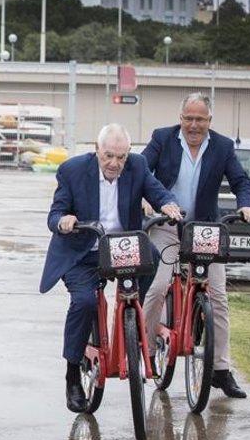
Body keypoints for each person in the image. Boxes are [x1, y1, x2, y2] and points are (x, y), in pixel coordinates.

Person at [40, 124, 182, 413]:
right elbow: (54, 213)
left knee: (152, 258)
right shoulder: (72, 170)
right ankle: (72, 376)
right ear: (96, 149)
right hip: (83, 251)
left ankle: (130, 316)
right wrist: (64, 220)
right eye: (108, 156)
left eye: (121, 157)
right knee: (84, 302)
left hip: (121, 248)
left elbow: (157, 192)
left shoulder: (138, 166)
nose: (115, 163)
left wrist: (168, 205)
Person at [140, 93, 250, 399]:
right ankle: (148, 350)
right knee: (156, 287)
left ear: (209, 121)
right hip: (167, 228)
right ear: (181, 118)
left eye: (200, 119)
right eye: (188, 118)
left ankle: (220, 370)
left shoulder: (222, 146)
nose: (193, 125)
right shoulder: (162, 139)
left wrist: (246, 205)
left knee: (218, 296)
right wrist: (143, 198)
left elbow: (241, 181)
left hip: (204, 229)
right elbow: (140, 169)